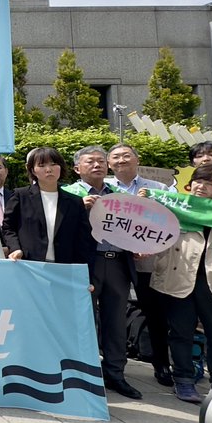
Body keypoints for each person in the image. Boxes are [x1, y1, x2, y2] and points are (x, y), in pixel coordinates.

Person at [147, 164, 212, 403]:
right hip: (179, 276)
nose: (200, 187)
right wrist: (147, 202)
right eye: (198, 181)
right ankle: (183, 380)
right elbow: (151, 232)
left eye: (209, 183)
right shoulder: (175, 205)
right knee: (181, 332)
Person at [69, 145, 141, 399]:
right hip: (85, 264)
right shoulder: (68, 194)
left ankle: (115, 373)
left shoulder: (121, 196)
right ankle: (84, 373)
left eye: (101, 161)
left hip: (118, 263)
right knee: (82, 320)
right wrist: (79, 208)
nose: (97, 165)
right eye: (90, 161)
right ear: (77, 168)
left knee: (116, 321)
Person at [106, 143, 175, 386]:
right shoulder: (103, 188)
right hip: (112, 261)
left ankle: (161, 363)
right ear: (109, 163)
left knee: (155, 313)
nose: (121, 160)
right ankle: (113, 364)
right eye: (115, 157)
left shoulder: (159, 189)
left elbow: (169, 223)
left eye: (126, 155)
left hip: (146, 261)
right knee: (109, 313)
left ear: (137, 159)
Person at [1, 147, 94, 265]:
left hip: (64, 267)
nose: (48, 169)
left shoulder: (74, 202)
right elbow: (8, 227)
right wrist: (15, 248)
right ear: (33, 170)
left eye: (54, 164)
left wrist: (84, 275)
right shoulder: (21, 195)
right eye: (41, 165)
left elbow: (83, 240)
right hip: (28, 264)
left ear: (61, 167)